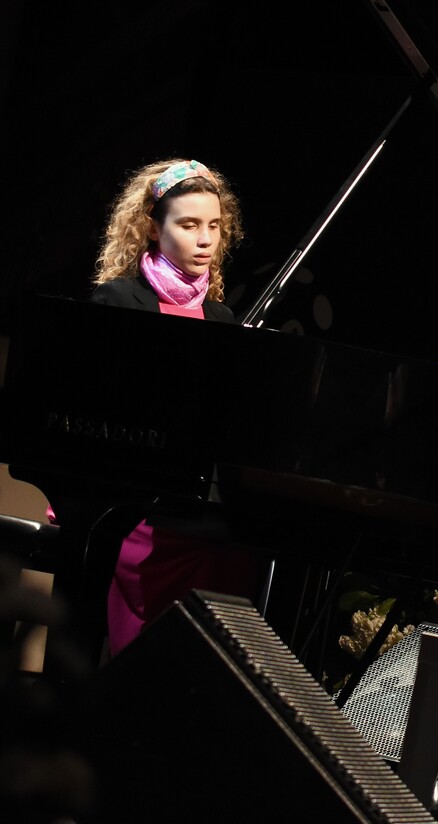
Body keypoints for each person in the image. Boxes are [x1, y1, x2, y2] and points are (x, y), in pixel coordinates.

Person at [86, 158, 262, 655]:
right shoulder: (117, 302)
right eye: (188, 225)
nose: (205, 239)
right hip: (133, 500)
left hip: (198, 506)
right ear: (151, 227)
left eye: (214, 226)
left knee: (239, 547)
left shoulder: (222, 318)